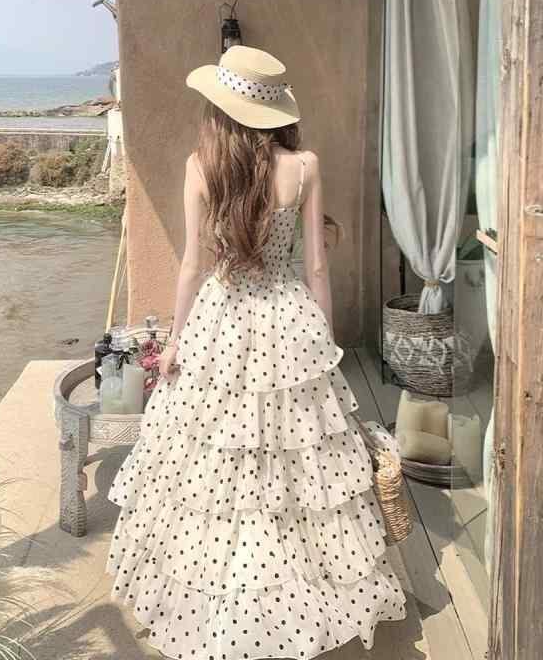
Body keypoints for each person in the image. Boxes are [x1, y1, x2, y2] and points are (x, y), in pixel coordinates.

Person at [105, 46, 406, 658]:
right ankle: (297, 599)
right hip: (288, 320)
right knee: (296, 463)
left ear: (221, 108)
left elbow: (193, 266)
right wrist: (324, 344)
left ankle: (221, 601)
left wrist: (175, 343)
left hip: (220, 319)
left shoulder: (200, 167)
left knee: (212, 459)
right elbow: (315, 266)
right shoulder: (305, 166)